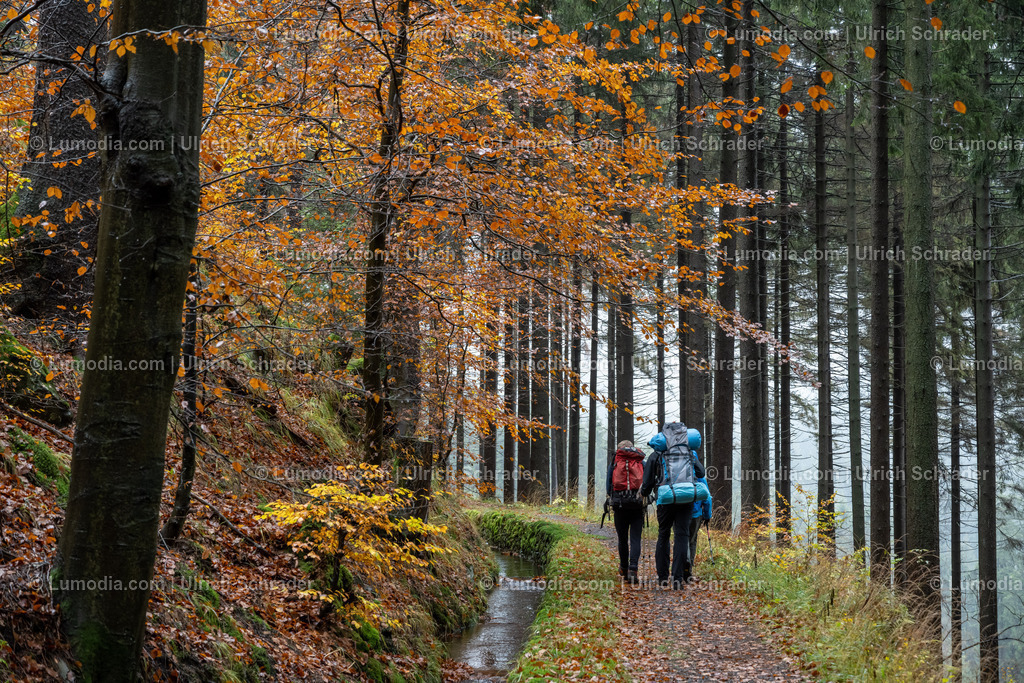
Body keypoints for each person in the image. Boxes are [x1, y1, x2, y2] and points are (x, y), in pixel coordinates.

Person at [641, 422, 706, 589]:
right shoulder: (689, 452)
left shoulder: (657, 453)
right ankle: (677, 580)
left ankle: (663, 578)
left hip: (666, 500)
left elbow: (647, 483)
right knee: (682, 536)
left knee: (663, 535)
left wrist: (645, 494)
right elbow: (701, 473)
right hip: (686, 500)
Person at [605, 440, 646, 584]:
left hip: (619, 505)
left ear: (619, 450)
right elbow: (646, 482)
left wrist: (612, 498)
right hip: (637, 505)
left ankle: (623, 567)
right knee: (635, 538)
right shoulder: (640, 461)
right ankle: (633, 569)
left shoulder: (615, 461)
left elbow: (608, 484)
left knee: (622, 538)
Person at [687, 430, 712, 568]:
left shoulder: (676, 468)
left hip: (678, 506)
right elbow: (707, 497)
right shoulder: (698, 471)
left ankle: (684, 561)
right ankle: (689, 566)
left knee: (682, 536)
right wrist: (707, 515)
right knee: (692, 539)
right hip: (696, 512)